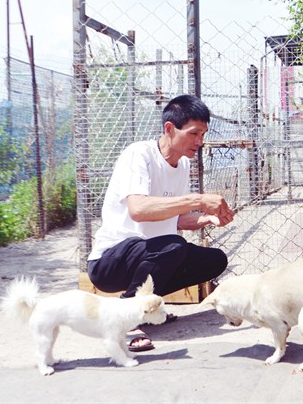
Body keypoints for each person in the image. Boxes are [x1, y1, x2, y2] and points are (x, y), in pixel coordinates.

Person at [87, 94, 233, 350]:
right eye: (194, 133)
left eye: (203, 135)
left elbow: (175, 217)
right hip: (110, 260)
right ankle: (127, 316)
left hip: (151, 253)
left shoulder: (183, 164)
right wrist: (197, 199)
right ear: (169, 128)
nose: (200, 142)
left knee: (214, 260)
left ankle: (148, 308)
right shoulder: (139, 154)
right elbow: (139, 209)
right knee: (173, 246)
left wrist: (207, 218)